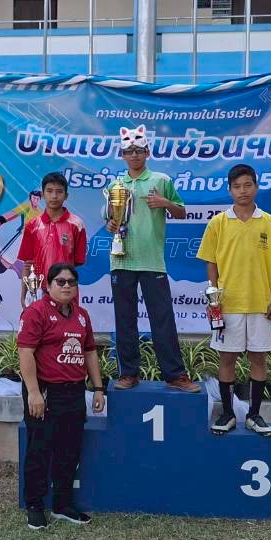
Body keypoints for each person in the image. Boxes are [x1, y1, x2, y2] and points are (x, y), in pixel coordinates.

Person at [196, 163, 271, 438]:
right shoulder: (218, 223)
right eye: (237, 186)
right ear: (230, 190)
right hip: (228, 305)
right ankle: (227, 414)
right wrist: (214, 299)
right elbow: (211, 264)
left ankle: (254, 415)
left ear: (256, 187)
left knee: (259, 359)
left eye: (248, 185)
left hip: (260, 305)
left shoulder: (269, 222)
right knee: (227, 359)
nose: (243, 191)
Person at [106, 125, 199, 393]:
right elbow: (110, 219)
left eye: (139, 150)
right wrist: (111, 224)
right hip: (122, 260)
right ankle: (128, 374)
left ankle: (175, 375)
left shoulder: (161, 180)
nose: (134, 155)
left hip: (152, 261)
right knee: (125, 319)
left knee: (162, 318)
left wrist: (165, 203)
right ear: (122, 155)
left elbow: (181, 212)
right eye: (129, 151)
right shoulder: (115, 185)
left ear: (147, 152)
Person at [17, 262, 107, 530]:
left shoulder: (82, 315)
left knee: (69, 450)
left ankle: (62, 504)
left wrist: (98, 388)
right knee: (39, 449)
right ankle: (35, 506)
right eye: (61, 281)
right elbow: (25, 352)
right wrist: (34, 392)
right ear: (48, 285)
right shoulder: (35, 312)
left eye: (72, 282)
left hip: (74, 391)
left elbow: (90, 352)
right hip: (45, 391)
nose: (67, 286)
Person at [16, 172, 87, 306]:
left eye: (59, 192)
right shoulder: (32, 225)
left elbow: (77, 262)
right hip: (38, 292)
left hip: (66, 291)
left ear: (66, 196)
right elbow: (27, 265)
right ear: (42, 195)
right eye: (49, 191)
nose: (54, 196)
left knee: (67, 321)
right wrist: (24, 296)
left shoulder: (77, 224)